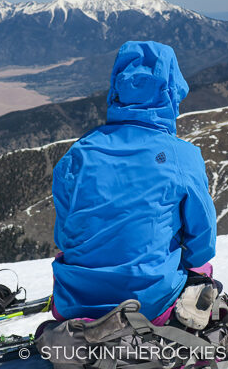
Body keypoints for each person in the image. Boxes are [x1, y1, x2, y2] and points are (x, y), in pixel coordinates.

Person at [50, 40, 217, 323]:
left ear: (116, 89)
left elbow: (64, 237)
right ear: (172, 90)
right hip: (149, 304)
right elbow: (203, 241)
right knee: (205, 271)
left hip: (75, 303)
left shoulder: (77, 154)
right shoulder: (182, 156)